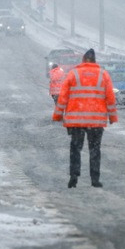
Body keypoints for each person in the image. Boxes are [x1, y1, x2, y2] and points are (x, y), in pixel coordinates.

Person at [51, 48, 118, 188]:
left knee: (75, 149)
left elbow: (63, 97)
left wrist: (58, 115)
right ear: (95, 60)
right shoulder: (103, 75)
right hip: (96, 121)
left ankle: (74, 177)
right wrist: (112, 117)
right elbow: (110, 98)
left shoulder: (73, 74)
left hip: (76, 121)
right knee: (95, 150)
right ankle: (95, 179)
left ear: (83, 60)